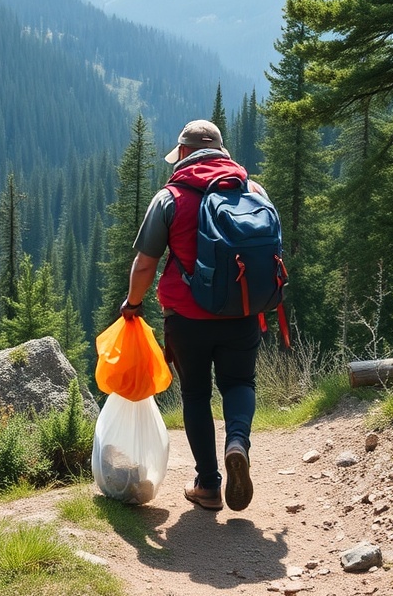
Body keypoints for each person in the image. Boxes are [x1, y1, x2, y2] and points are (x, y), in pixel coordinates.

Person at [120, 119, 267, 512]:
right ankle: (238, 442)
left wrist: (132, 305)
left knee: (197, 394)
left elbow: (146, 263)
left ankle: (208, 484)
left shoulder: (169, 197)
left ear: (183, 152)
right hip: (242, 312)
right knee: (239, 383)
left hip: (187, 319)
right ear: (222, 151)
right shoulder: (252, 190)